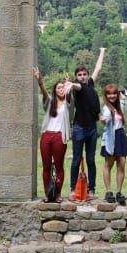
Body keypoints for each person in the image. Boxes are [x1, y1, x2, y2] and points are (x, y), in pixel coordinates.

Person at [64, 48, 106, 201]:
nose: (82, 77)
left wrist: (102, 51)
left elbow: (98, 68)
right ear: (76, 77)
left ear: (87, 76)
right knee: (76, 159)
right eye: (79, 75)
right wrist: (70, 84)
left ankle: (91, 190)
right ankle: (73, 189)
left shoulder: (90, 85)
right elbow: (77, 87)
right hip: (79, 128)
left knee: (91, 160)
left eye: (84, 74)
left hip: (92, 129)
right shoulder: (77, 87)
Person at [34, 66, 73, 203]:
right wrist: (40, 82)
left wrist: (69, 85)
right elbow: (44, 94)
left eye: (63, 87)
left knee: (59, 166)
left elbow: (68, 96)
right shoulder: (50, 102)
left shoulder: (68, 103)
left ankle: (57, 194)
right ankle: (47, 193)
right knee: (46, 166)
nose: (61, 89)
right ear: (55, 91)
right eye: (59, 88)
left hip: (59, 136)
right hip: (46, 136)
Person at [99, 84, 127, 205]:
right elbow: (105, 119)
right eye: (109, 94)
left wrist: (122, 95)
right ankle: (108, 192)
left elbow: (123, 99)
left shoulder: (120, 106)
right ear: (106, 96)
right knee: (108, 164)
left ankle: (119, 192)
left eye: (114, 93)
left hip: (121, 136)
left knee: (121, 164)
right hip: (111, 137)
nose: (112, 96)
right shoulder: (106, 108)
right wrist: (103, 121)